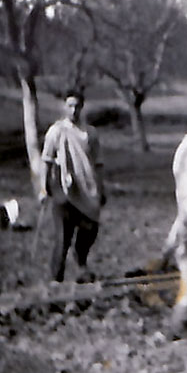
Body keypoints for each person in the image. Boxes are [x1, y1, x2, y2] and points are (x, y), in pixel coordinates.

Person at [35, 90, 106, 283]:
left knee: (90, 229)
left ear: (82, 107)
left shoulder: (89, 133)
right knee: (63, 238)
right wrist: (43, 188)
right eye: (70, 106)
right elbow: (46, 161)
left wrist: (101, 188)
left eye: (77, 106)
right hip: (63, 191)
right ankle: (55, 279)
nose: (74, 110)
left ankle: (81, 265)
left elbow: (98, 163)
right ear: (64, 107)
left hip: (86, 189)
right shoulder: (56, 131)